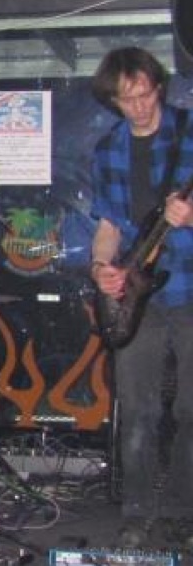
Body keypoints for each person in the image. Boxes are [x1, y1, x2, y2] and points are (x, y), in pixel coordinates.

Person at [89, 47, 193, 550]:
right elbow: (108, 226)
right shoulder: (108, 148)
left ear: (159, 87)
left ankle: (182, 509)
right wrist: (100, 269)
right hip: (138, 295)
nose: (139, 106)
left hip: (190, 285)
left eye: (146, 94)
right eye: (126, 99)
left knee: (192, 407)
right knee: (136, 407)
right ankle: (137, 511)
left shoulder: (188, 133)